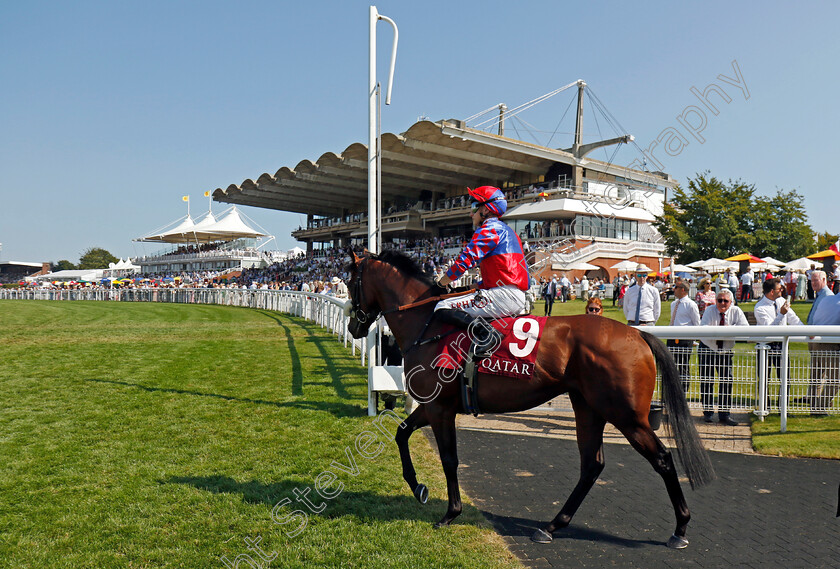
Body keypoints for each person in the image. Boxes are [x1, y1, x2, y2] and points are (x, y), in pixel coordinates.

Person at [435, 186, 530, 356]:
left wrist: (441, 283)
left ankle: (488, 336)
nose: (471, 214)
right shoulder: (509, 231)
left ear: (486, 209)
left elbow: (464, 261)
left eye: (473, 207)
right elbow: (501, 273)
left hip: (503, 296)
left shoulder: (489, 229)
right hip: (512, 295)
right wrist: (472, 286)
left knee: (442, 306)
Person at [698, 288, 749, 425]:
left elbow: (746, 329)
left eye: (725, 301)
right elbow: (705, 330)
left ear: (731, 302)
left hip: (725, 351)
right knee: (707, 381)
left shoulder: (736, 311)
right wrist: (730, 330)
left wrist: (725, 331)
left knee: (726, 382)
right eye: (719, 300)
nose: (722, 303)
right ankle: (708, 413)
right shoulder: (710, 311)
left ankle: (724, 414)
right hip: (708, 348)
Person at [754, 277, 803, 408]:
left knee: (785, 378)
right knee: (764, 378)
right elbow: (770, 330)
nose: (782, 290)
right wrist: (781, 314)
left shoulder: (781, 300)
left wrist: (806, 330)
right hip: (765, 345)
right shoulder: (760, 308)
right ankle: (765, 407)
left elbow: (793, 318)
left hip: (781, 345)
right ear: (771, 292)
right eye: (779, 288)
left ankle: (783, 408)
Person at [806, 270, 840, 415]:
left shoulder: (827, 298)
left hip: (815, 341)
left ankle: (814, 407)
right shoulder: (829, 297)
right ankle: (820, 407)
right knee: (835, 379)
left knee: (816, 376)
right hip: (828, 343)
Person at [667, 282, 701, 393]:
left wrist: (694, 339)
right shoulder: (674, 304)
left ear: (683, 290)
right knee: (670, 365)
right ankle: (672, 390)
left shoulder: (691, 305)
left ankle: (683, 391)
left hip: (684, 339)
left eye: (676, 287)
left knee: (683, 365)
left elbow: (696, 323)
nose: (674, 289)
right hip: (672, 337)